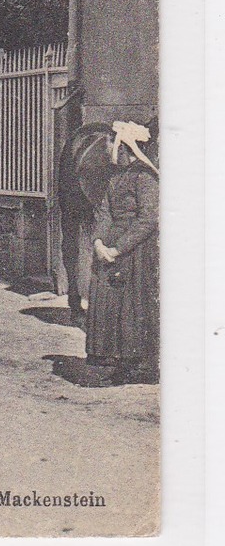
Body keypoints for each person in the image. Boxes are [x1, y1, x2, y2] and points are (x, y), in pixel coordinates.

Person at [86, 121, 160, 385]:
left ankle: (138, 364)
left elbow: (149, 219)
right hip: (111, 246)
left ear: (124, 146)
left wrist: (118, 249)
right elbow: (104, 212)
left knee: (132, 306)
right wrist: (98, 242)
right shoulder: (114, 177)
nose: (107, 148)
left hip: (136, 251)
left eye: (109, 142)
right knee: (107, 299)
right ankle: (113, 358)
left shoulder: (145, 177)